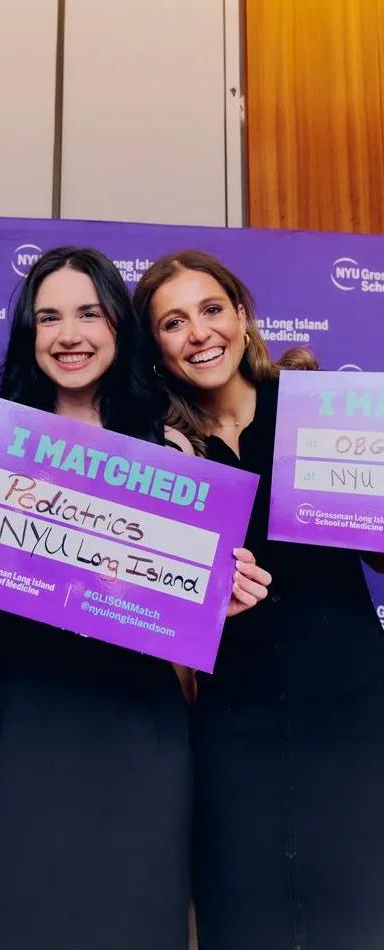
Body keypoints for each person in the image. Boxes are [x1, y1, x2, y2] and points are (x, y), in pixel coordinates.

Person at [0, 247, 270, 950]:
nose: (68, 335)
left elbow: (179, 623)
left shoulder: (172, 448)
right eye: (48, 317)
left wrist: (213, 601)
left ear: (117, 326)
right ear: (28, 332)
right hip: (19, 723)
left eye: (88, 314)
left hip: (138, 729)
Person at [134, 249, 384, 950]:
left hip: (352, 710)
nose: (198, 333)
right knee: (242, 919)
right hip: (229, 724)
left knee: (360, 915)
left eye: (211, 310)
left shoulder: (317, 407)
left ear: (242, 317)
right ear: (155, 348)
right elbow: (145, 608)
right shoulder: (158, 453)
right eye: (172, 323)